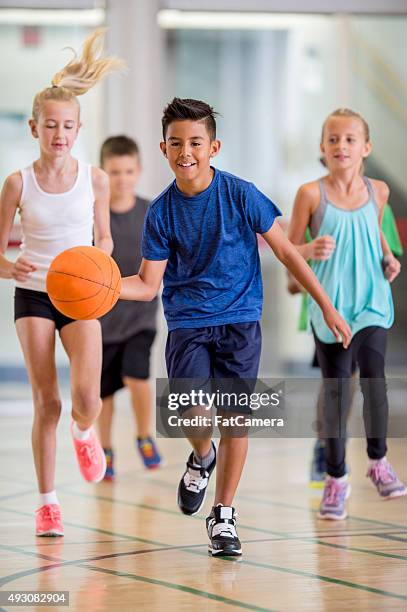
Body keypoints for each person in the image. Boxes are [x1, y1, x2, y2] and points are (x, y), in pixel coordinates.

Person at [119, 97, 351, 555]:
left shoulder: (241, 194)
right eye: (176, 143)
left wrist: (324, 305)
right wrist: (101, 288)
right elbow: (147, 285)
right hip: (188, 325)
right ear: (163, 148)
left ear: (214, 147)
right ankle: (202, 458)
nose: (186, 151)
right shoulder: (161, 213)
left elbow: (286, 251)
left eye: (196, 142)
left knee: (236, 422)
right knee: (195, 416)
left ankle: (223, 515)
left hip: (241, 324)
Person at [0, 30, 122, 536]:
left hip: (80, 295)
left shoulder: (95, 179)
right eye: (51, 125)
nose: (59, 134)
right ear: (34, 127)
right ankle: (48, 503)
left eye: (68, 126)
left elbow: (107, 242)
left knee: (86, 399)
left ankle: (84, 430)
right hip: (33, 295)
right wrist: (9, 267)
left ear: (78, 129)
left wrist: (97, 267)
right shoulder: (16, 183)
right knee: (46, 401)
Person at [288, 108, 406, 520]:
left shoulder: (379, 191)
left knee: (374, 374)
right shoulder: (309, 194)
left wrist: (388, 259)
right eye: (333, 139)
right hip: (331, 306)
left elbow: (374, 233)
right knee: (337, 393)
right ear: (323, 147)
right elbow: (290, 253)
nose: (342, 146)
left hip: (371, 300)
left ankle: (378, 461)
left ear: (366, 147)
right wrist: (309, 250)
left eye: (350, 139)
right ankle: (336, 479)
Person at [288, 207, 404, 487]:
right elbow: (292, 269)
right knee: (337, 383)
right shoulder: (315, 202)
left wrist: (388, 264)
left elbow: (387, 256)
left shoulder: (380, 203)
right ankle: (326, 451)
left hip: (367, 309)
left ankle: (368, 459)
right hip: (328, 309)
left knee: (365, 379)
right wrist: (315, 278)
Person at [97, 135, 161, 478]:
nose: (122, 178)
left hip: (140, 316)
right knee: (103, 394)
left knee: (137, 376)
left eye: (128, 171)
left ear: (138, 171)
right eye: (114, 172)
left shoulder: (151, 212)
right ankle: (104, 450)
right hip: (102, 321)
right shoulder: (94, 216)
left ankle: (144, 434)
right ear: (103, 174)